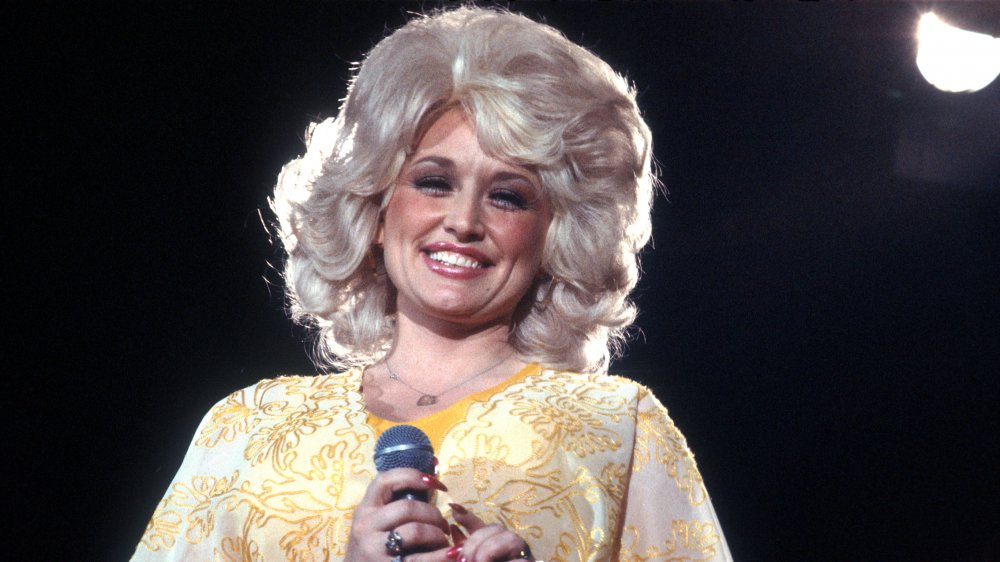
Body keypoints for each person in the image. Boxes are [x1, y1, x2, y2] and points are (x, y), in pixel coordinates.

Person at [131, 7, 731, 562]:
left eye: (507, 196)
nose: (465, 223)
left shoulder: (619, 427)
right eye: (434, 183)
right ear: (372, 206)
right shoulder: (247, 430)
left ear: (557, 235)